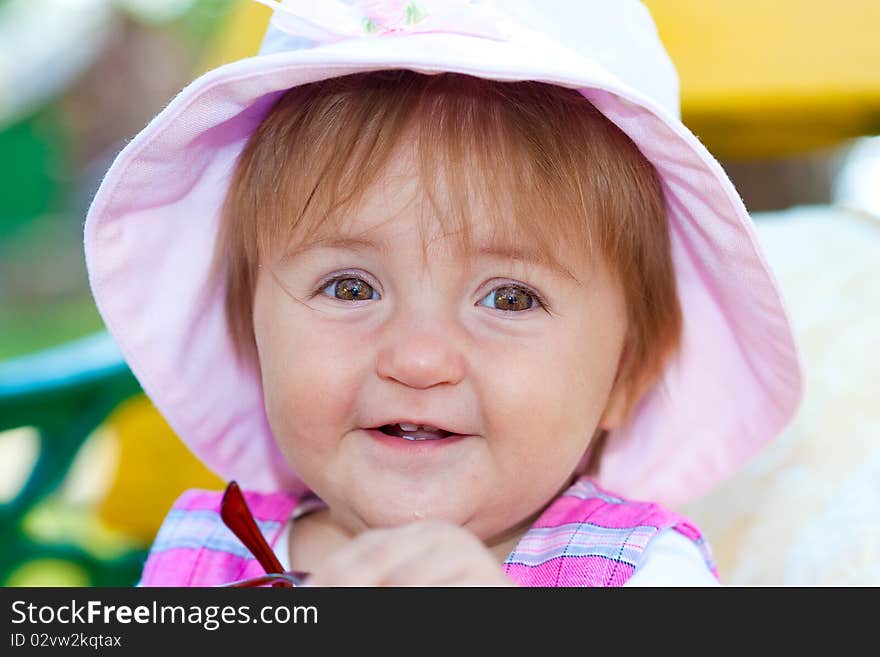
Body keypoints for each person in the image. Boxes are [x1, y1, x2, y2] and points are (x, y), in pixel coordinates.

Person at [83, 0, 803, 586]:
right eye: (349, 285)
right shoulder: (206, 554)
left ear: (626, 373)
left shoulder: (641, 572)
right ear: (252, 334)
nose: (419, 358)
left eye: (511, 298)